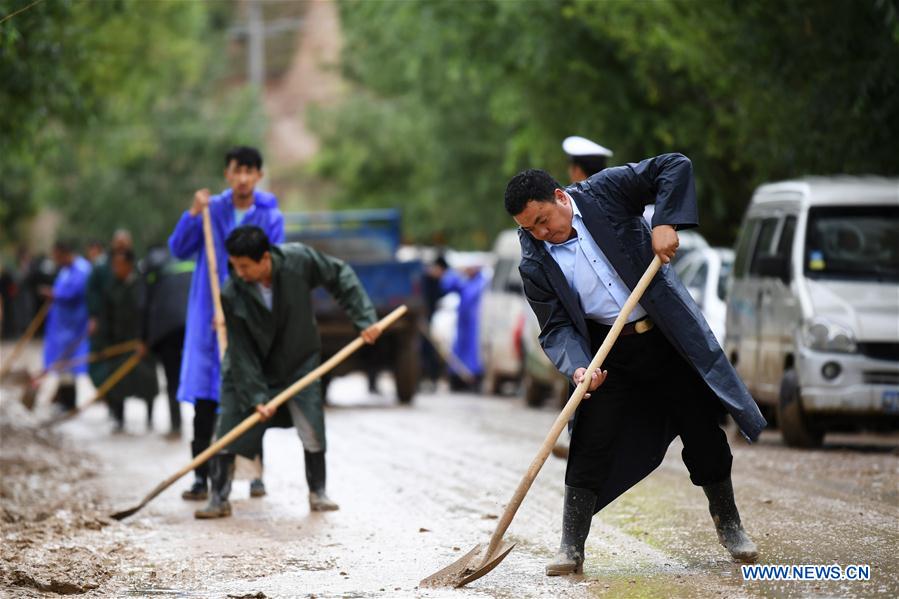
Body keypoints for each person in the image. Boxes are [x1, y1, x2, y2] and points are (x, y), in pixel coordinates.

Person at [503, 154, 766, 576]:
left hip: (665, 338)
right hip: (608, 355)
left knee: (702, 432)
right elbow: (555, 328)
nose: (541, 233)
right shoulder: (535, 261)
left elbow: (674, 165)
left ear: (559, 196)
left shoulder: (604, 192)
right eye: (529, 228)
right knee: (589, 439)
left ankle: (730, 524)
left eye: (542, 220)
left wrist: (665, 222)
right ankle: (571, 546)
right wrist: (578, 367)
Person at [195, 226, 382, 519]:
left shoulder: (298, 260)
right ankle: (218, 497)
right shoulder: (233, 293)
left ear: (265, 259)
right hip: (249, 367)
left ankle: (318, 491)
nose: (239, 272)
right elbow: (242, 352)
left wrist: (364, 319)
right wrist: (256, 395)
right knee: (230, 426)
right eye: (234, 265)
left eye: (244, 266)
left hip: (298, 361)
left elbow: (340, 275)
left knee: (311, 425)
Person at [169, 146, 284, 502]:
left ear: (259, 176)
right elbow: (178, 249)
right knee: (205, 397)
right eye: (237, 170)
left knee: (251, 391)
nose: (244, 178)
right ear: (228, 174)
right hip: (208, 315)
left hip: (247, 316)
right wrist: (192, 213)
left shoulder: (269, 215)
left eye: (250, 171)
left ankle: (253, 472)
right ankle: (201, 477)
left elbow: (272, 265)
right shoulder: (211, 210)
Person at [100, 249, 159, 433]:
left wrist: (148, 339)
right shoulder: (111, 287)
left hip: (141, 342)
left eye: (119, 265)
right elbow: (106, 317)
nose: (116, 268)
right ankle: (119, 419)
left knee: (147, 382)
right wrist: (105, 343)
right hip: (118, 344)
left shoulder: (142, 285)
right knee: (117, 384)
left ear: (129, 265)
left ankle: (150, 419)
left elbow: (151, 313)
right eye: (114, 265)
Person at [142, 245, 193, 439]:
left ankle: (176, 426)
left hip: (165, 331)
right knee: (199, 378)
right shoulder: (190, 255)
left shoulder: (151, 264)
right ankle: (210, 427)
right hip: (193, 327)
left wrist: (143, 338)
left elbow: (143, 303)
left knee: (172, 379)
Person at [40, 240, 92, 412]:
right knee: (60, 363)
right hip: (60, 326)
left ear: (65, 254)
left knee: (70, 362)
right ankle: (62, 399)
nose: (55, 260)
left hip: (74, 325)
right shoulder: (64, 270)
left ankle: (69, 402)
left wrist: (55, 294)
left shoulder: (82, 269)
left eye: (57, 256)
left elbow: (74, 292)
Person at [86, 230, 134, 406]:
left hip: (128, 328)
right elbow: (92, 292)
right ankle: (109, 399)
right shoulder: (101, 267)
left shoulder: (134, 267)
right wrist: (93, 316)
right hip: (105, 324)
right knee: (99, 364)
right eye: (118, 243)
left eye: (124, 243)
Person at [438, 260, 487, 391]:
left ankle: (474, 379)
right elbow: (446, 284)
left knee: (474, 352)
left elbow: (472, 296)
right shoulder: (465, 281)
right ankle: (457, 378)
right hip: (463, 324)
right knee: (459, 351)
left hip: (476, 325)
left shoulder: (482, 283)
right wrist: (457, 272)